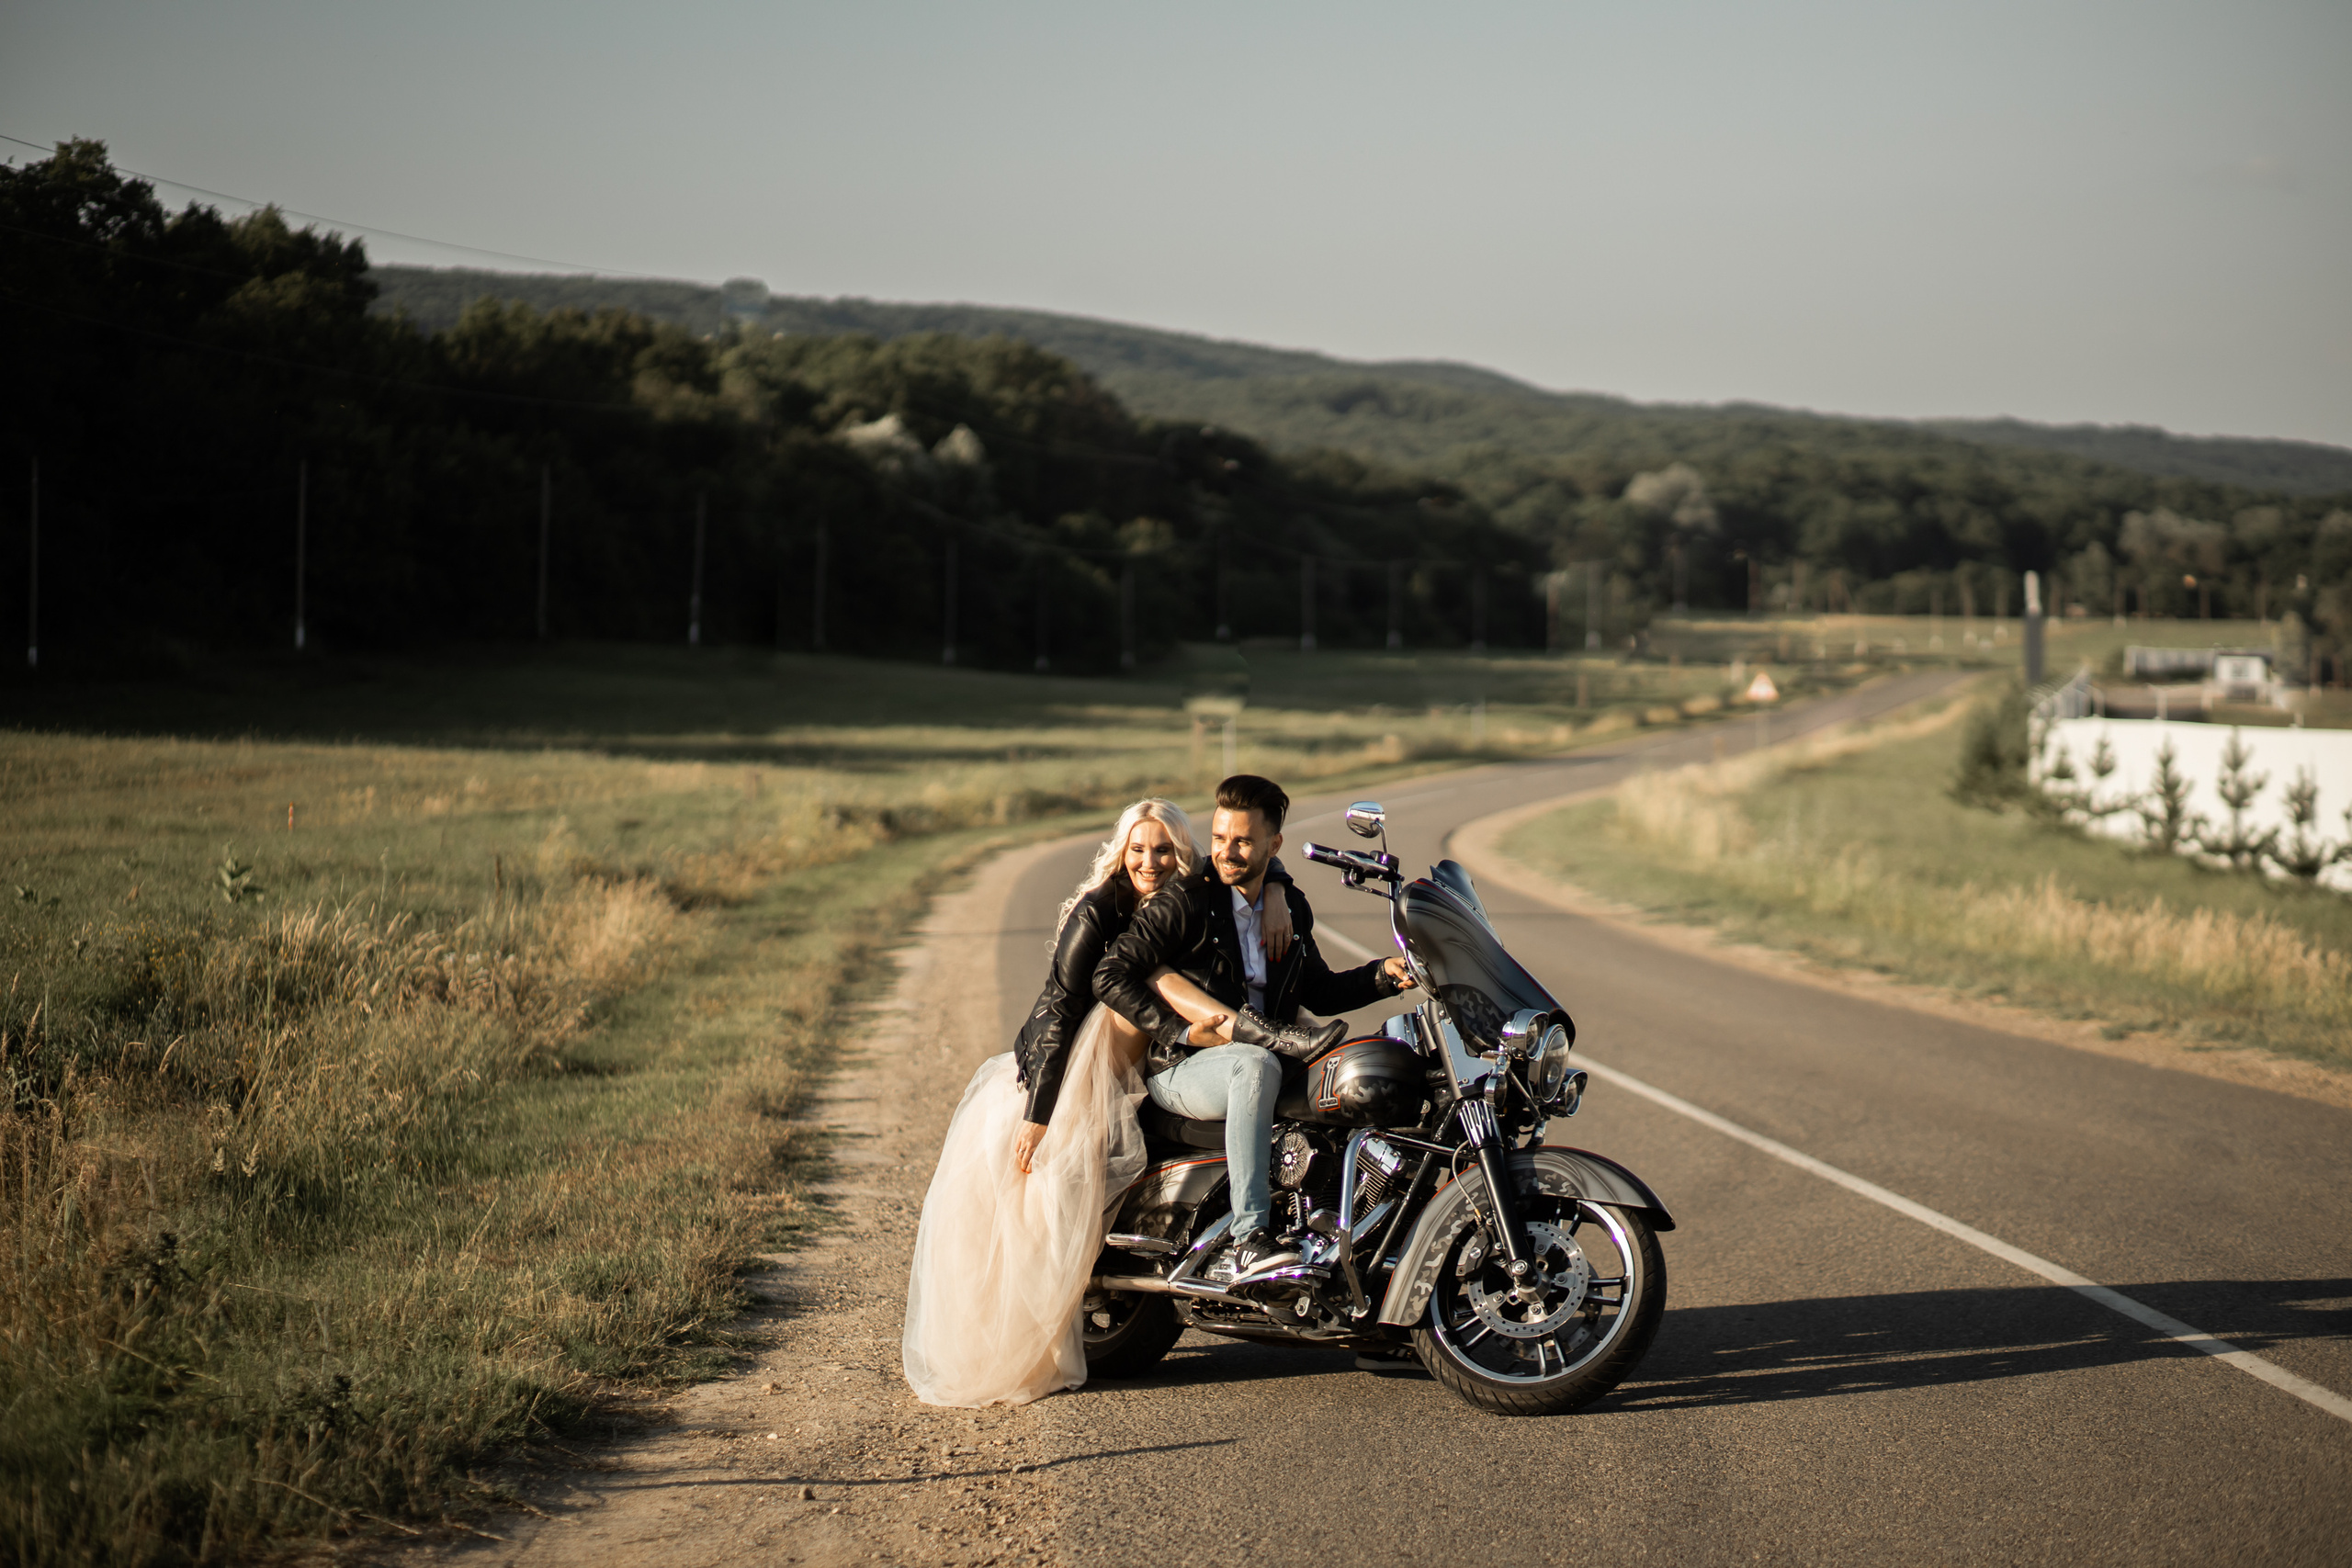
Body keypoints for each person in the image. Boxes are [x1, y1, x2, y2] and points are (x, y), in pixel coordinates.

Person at [900, 798, 1291, 1407]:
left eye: (1163, 850)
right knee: (1055, 1196)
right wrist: (1040, 1115)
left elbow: (1246, 861)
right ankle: (1030, 1327)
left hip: (1144, 1055)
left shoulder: (1187, 896)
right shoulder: (1098, 910)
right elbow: (1059, 1012)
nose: (1150, 862)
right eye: (1138, 849)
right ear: (1121, 853)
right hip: (1074, 1064)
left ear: (1182, 853)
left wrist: (1279, 891)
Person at [1094, 774, 1413, 1282]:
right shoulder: (1186, 902)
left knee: (1360, 1074)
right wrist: (1178, 1032)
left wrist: (1385, 975)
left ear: (1273, 845)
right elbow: (1110, 974)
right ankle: (1248, 1239)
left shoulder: (1290, 907)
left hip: (1263, 1059)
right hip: (1183, 1069)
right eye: (1219, 838)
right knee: (1256, 1061)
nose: (1226, 852)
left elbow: (1320, 991)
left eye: (1242, 841)